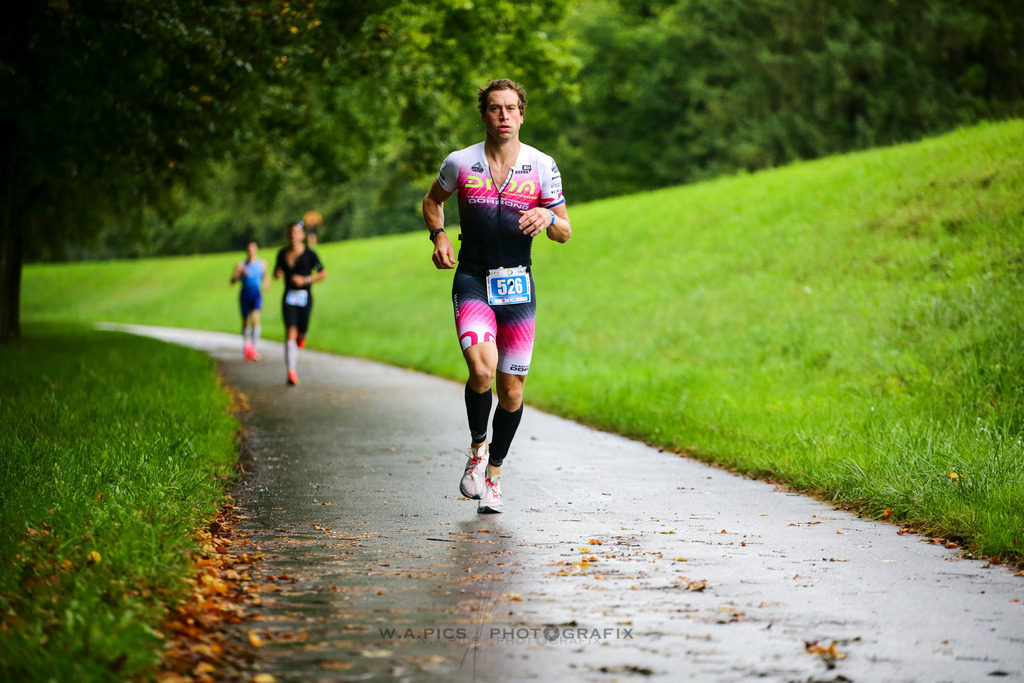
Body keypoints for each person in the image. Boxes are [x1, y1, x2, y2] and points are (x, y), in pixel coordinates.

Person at [422, 78, 571, 514]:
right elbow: (433, 202)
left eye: (511, 108)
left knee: (510, 393)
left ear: (522, 114)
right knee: (482, 372)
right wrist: (438, 236)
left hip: (518, 286)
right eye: (495, 108)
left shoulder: (542, 165)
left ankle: (495, 476)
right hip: (471, 278)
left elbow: (565, 230)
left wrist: (547, 214)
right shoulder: (460, 162)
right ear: (484, 114)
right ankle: (477, 448)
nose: (503, 116)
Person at [273, 220, 326, 385]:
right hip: (288, 298)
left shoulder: (310, 254)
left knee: (301, 333)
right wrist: (277, 274)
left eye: (296, 232)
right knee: (290, 331)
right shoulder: (282, 254)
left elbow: (323, 273)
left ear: (303, 235)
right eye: (291, 232)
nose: (293, 235)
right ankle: (291, 371)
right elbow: (277, 270)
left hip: (305, 297)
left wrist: (305, 279)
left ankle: (300, 340)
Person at [229, 240, 268, 362]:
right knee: (246, 321)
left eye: (253, 249)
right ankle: (246, 347)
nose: (251, 252)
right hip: (244, 295)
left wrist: (266, 283)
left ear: (256, 250)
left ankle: (254, 348)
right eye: (249, 249)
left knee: (256, 318)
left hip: (256, 294)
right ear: (246, 251)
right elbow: (232, 281)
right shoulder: (241, 265)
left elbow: (265, 277)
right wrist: (240, 274)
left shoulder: (262, 264)